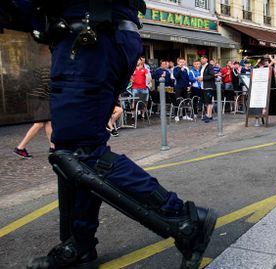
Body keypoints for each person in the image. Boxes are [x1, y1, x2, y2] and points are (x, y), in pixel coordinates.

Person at [0, 1, 217, 268]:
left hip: (87, 39)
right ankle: (79, 245)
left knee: (79, 154)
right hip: (94, 37)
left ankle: (183, 220)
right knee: (78, 150)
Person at [198, 55, 216, 123]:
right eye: (201, 59)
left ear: (206, 59)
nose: (201, 60)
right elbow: (202, 75)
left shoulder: (210, 66)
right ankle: (209, 115)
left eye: (203, 58)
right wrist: (199, 78)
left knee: (209, 101)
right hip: (203, 86)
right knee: (206, 102)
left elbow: (212, 75)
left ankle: (208, 115)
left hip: (209, 86)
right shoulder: (201, 67)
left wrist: (203, 78)